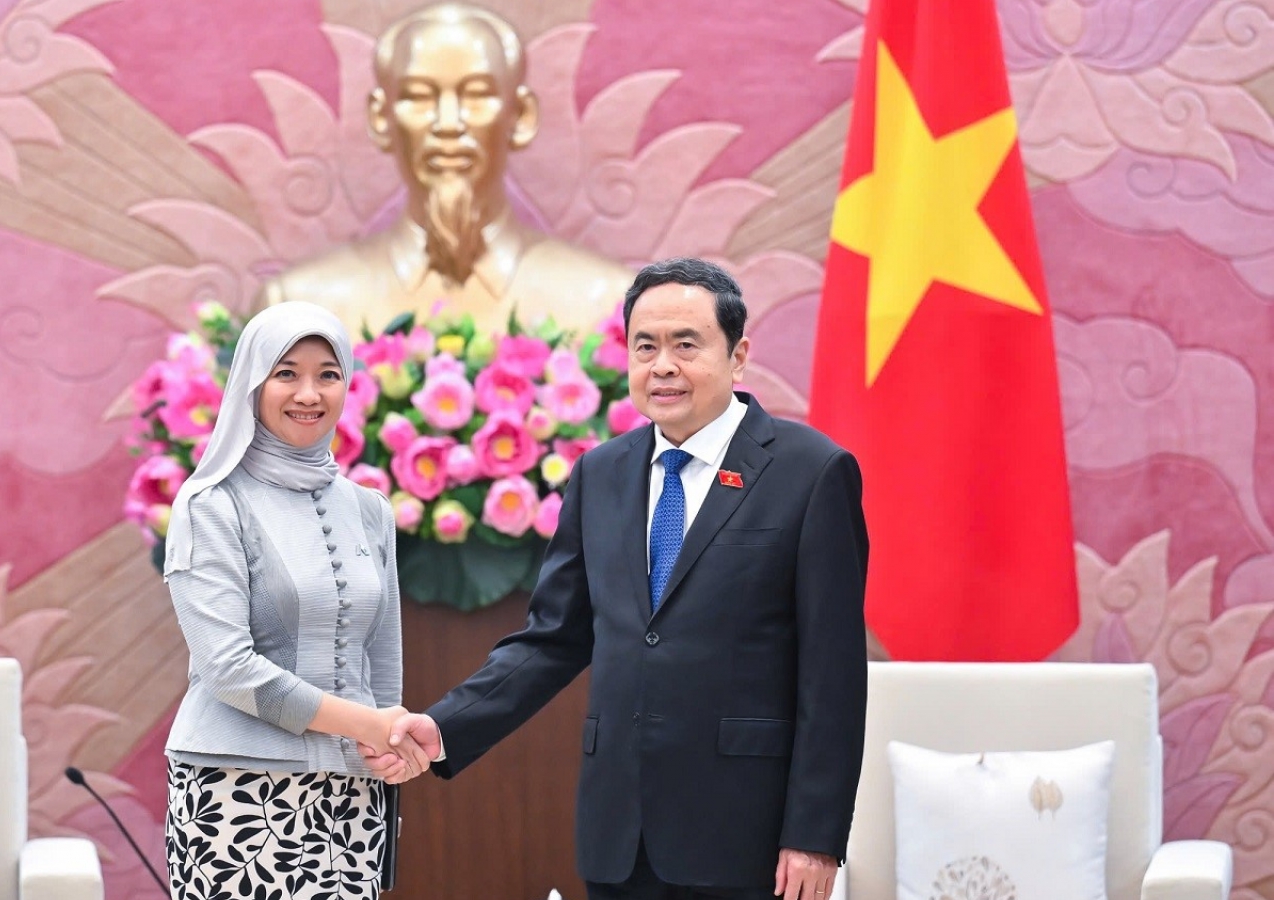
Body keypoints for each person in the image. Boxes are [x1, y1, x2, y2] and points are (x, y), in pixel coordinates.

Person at [367, 258, 870, 900]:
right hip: (620, 836)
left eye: (686, 345)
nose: (663, 366)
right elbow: (553, 639)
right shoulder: (601, 474)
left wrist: (814, 836)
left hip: (749, 836)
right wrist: (445, 727)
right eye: (645, 347)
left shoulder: (812, 472)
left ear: (738, 356)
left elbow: (832, 675)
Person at [160, 301, 430, 900]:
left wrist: (390, 751)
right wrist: (368, 725)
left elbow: (383, 663)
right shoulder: (211, 505)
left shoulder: (370, 510)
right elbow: (228, 668)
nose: (309, 393)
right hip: (234, 791)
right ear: (253, 383)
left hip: (352, 794)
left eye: (328, 374)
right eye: (286, 373)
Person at [257, 2, 631, 336]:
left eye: (477, 95)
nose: (448, 123)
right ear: (380, 118)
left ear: (521, 116)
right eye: (419, 96)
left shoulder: (604, 302)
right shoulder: (299, 308)